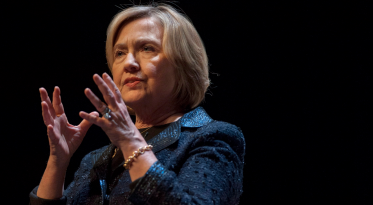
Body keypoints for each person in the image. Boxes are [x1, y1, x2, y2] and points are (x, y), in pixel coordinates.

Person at [30, 3, 245, 205]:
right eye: (120, 53)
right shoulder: (94, 160)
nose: (129, 64)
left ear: (184, 65)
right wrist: (57, 163)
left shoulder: (214, 138)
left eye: (147, 48)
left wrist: (130, 140)